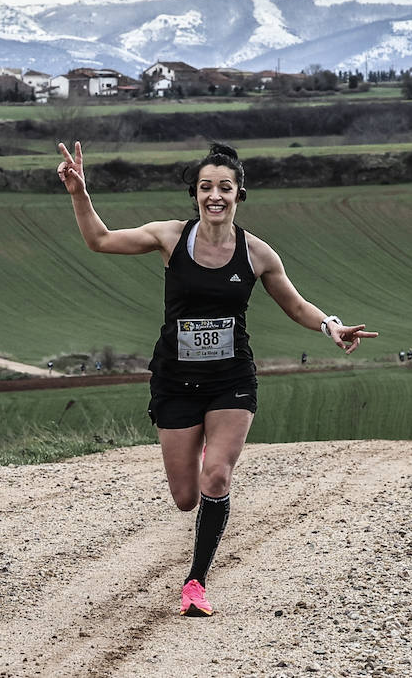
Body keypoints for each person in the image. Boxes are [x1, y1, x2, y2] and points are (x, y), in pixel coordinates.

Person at [57, 140, 376, 618]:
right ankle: (202, 462)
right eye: (206, 187)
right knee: (186, 498)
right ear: (195, 195)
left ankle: (195, 584)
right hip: (175, 380)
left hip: (231, 380)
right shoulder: (170, 238)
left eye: (225, 187)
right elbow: (99, 240)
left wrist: (331, 326)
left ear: (239, 194)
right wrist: (80, 192)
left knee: (218, 476)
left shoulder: (257, 254)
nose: (215, 196)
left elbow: (296, 305)